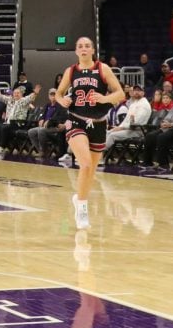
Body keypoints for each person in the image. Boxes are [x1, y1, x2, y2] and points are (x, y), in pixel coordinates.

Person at [54, 37, 126, 230]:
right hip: (76, 119)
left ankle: (79, 198)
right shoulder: (71, 71)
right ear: (76, 51)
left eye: (87, 46)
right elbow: (59, 94)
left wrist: (104, 98)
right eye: (80, 46)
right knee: (84, 163)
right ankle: (83, 210)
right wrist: (62, 101)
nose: (84, 49)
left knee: (90, 171)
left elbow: (120, 94)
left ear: (93, 50)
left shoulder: (103, 69)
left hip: (99, 123)